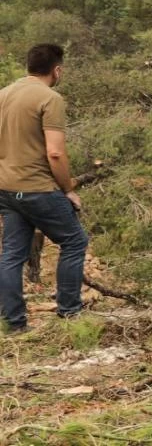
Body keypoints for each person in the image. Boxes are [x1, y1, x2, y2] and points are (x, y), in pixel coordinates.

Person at [0, 44, 89, 333]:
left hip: (7, 188)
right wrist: (68, 189)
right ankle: (69, 312)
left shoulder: (3, 95)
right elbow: (55, 153)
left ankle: (14, 323)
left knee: (12, 254)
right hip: (37, 187)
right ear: (57, 70)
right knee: (74, 242)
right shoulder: (50, 98)